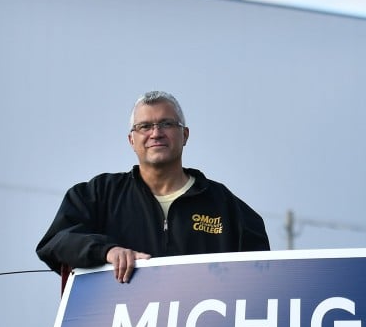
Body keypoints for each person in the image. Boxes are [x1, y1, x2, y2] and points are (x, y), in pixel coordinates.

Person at [37, 90, 269, 282]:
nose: (156, 133)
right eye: (145, 126)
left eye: (166, 124)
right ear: (132, 140)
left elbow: (263, 274)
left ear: (185, 135)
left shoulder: (225, 205)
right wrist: (107, 251)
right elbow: (56, 241)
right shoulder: (99, 195)